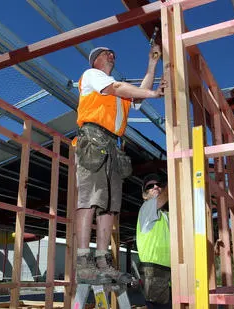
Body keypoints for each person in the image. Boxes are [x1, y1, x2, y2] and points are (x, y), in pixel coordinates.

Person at [75, 45, 166, 285]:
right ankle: (83, 262)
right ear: (95, 60)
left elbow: (139, 92)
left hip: (112, 146)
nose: (112, 55)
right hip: (92, 140)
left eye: (113, 53)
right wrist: (155, 95)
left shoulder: (120, 92)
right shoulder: (93, 76)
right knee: (89, 201)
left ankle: (103, 262)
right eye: (107, 53)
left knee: (110, 207)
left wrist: (152, 64)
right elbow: (118, 87)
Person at [137, 173, 171, 309]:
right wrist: (175, 176)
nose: (156, 187)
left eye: (159, 185)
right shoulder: (146, 208)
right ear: (145, 195)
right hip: (153, 274)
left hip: (168, 275)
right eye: (150, 186)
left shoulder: (166, 216)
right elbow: (166, 196)